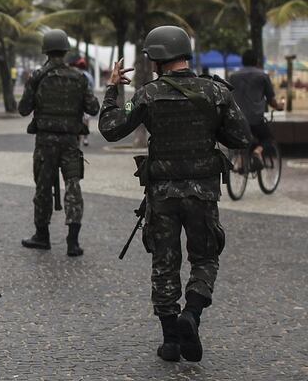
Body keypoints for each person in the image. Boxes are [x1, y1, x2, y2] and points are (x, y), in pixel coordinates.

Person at [99, 26, 252, 363]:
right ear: (185, 53)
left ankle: (170, 341)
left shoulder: (147, 95)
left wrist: (112, 88)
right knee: (206, 256)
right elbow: (241, 136)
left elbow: (110, 129)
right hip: (202, 193)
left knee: (164, 263)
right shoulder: (215, 92)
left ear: (155, 58)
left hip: (162, 194)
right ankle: (192, 315)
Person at [18, 30, 99, 257]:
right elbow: (93, 108)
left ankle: (42, 237)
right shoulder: (80, 78)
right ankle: (73, 243)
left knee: (42, 190)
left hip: (45, 143)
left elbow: (23, 109)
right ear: (65, 51)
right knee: (73, 187)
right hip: (70, 143)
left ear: (46, 50)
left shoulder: (37, 77)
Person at [229, 49, 284, 169]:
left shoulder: (233, 77)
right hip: (255, 118)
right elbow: (271, 100)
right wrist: (279, 107)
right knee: (268, 138)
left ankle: (241, 161)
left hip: (237, 118)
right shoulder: (262, 75)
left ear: (243, 62)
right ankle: (257, 152)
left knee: (243, 139)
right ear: (257, 61)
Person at [72, 58, 95, 146]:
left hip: (76, 100)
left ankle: (78, 138)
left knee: (77, 118)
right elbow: (92, 88)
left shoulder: (75, 75)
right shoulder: (89, 76)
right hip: (86, 100)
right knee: (86, 119)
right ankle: (85, 138)